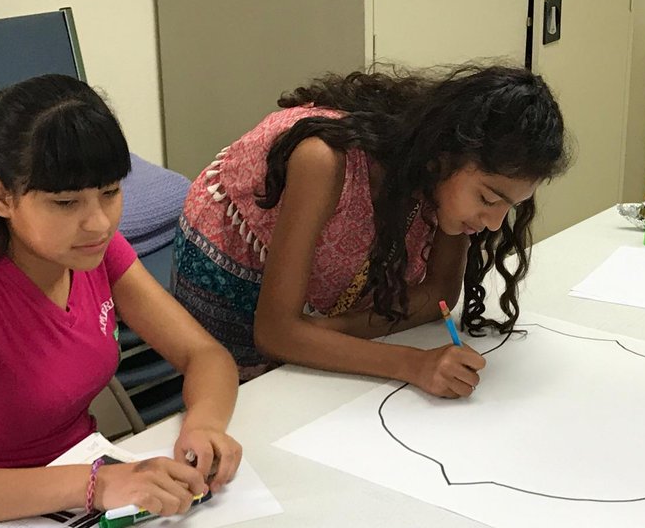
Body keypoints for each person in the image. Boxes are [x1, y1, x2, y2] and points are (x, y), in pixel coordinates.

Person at [0, 74, 243, 528]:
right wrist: (94, 485)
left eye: (110, 193)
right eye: (65, 202)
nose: (99, 222)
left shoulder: (93, 252)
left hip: (78, 491)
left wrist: (204, 424)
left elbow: (204, 354)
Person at [172, 64, 568, 397]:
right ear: (442, 156)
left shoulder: (444, 185)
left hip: (303, 309)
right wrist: (413, 363)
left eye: (509, 207)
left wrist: (322, 333)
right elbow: (275, 333)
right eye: (487, 198)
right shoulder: (324, 161)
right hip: (227, 276)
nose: (495, 223)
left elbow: (439, 295)